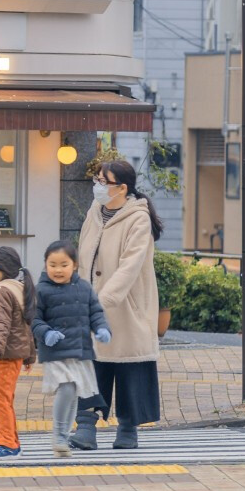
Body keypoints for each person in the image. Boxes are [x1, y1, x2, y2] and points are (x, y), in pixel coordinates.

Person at [72, 157, 163, 451]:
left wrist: (104, 300)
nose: (97, 186)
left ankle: (128, 428)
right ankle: (85, 426)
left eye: (104, 181)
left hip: (127, 308)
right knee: (92, 364)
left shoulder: (138, 218)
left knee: (128, 367)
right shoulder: (95, 212)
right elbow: (83, 254)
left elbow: (130, 266)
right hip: (91, 304)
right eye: (97, 180)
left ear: (122, 188)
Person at [32, 240, 110, 456]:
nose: (58, 269)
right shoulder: (41, 290)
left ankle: (63, 439)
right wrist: (45, 333)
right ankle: (58, 435)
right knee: (66, 388)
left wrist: (102, 329)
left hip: (80, 351)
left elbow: (96, 313)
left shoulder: (84, 288)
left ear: (74, 265)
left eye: (63, 264)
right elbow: (33, 319)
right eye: (52, 264)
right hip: (55, 351)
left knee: (74, 393)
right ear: (46, 264)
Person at [0, 243, 36, 460]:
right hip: (14, 354)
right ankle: (12, 442)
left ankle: (7, 445)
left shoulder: (1, 292)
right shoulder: (18, 288)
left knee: (0, 400)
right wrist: (30, 355)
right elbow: (25, 327)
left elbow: (0, 323)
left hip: (6, 355)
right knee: (5, 399)